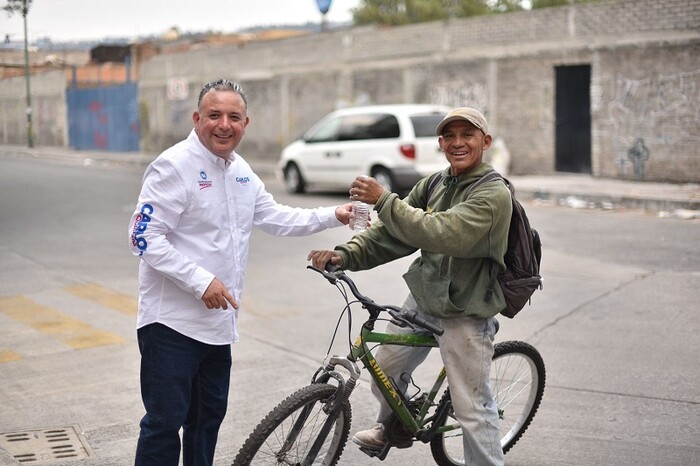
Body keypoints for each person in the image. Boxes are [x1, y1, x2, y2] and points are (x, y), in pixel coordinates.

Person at [128, 78, 353, 466]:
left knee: (206, 422)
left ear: (245, 124)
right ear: (197, 118)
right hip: (171, 327)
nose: (224, 124)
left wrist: (333, 214)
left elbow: (276, 216)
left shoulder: (241, 170)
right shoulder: (173, 166)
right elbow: (142, 237)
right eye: (214, 115)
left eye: (234, 117)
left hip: (218, 328)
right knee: (164, 424)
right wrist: (201, 282)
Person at [308, 107, 511, 466]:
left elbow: (441, 232)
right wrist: (345, 255)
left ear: (485, 141)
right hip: (424, 295)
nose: (458, 143)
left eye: (468, 135)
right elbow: (392, 234)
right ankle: (394, 427)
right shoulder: (435, 183)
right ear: (441, 143)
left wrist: (385, 200)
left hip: (467, 310)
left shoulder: (493, 195)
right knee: (384, 366)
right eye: (450, 136)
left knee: (472, 411)